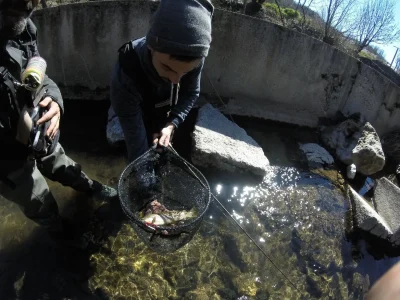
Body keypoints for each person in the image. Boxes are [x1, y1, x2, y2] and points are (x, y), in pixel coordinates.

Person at [0, 0, 117, 244]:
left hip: (39, 130)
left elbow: (38, 74)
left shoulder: (25, 28)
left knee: (64, 166)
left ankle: (91, 189)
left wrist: (54, 100)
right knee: (39, 201)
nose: (24, 6)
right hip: (8, 162)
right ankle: (61, 233)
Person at [110, 0, 214, 163]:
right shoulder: (126, 73)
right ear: (151, 47)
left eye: (185, 72)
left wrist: (171, 124)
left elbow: (191, 93)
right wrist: (142, 171)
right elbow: (135, 138)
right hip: (135, 107)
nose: (176, 80)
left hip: (162, 106)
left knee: (160, 144)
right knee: (137, 151)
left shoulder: (194, 57)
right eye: (168, 68)